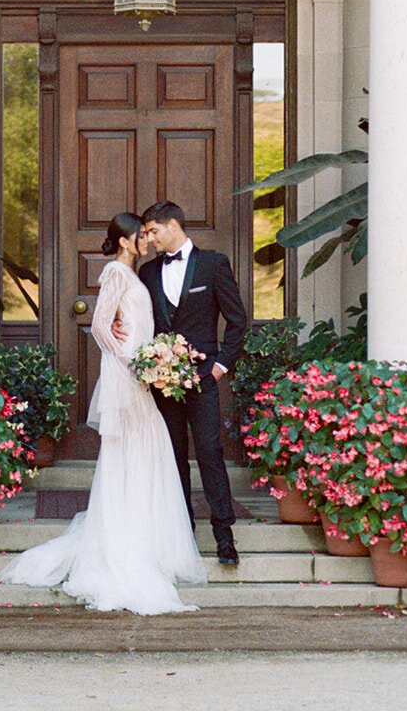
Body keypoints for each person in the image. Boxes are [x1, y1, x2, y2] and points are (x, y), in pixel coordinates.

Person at [0, 212, 206, 613]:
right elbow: (101, 326)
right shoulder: (115, 273)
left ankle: (143, 540)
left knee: (147, 453)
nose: (146, 239)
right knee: (134, 452)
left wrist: (156, 360)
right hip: (129, 378)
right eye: (139, 235)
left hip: (140, 375)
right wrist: (137, 363)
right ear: (124, 241)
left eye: (148, 233)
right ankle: (122, 545)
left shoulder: (135, 273)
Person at [137, 199, 248, 567]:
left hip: (203, 380)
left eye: (153, 231)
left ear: (173, 226)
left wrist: (218, 369)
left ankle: (224, 536)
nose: (150, 240)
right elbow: (142, 320)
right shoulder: (148, 273)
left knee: (210, 454)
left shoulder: (214, 264)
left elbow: (237, 322)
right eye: (147, 233)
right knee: (172, 459)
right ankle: (182, 534)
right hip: (162, 383)